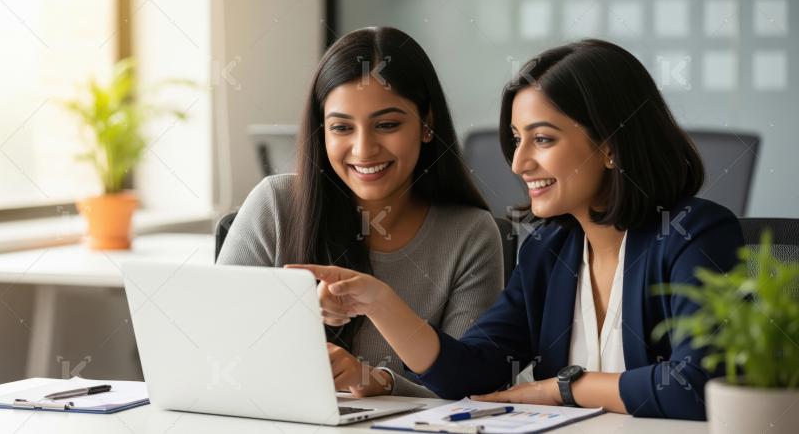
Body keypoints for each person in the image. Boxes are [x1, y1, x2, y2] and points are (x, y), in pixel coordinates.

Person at [295, 39, 744, 420]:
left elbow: (698, 385)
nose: (518, 162)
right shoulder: (549, 251)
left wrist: (561, 390)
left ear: (610, 146)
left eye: (543, 139)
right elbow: (469, 374)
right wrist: (380, 302)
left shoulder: (694, 234)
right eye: (517, 137)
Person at [217, 27, 504, 398]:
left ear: (427, 125)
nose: (364, 149)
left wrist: (375, 380)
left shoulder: (470, 234)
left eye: (387, 125)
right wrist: (300, 313)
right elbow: (214, 349)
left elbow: (470, 389)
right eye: (341, 128)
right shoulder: (275, 203)